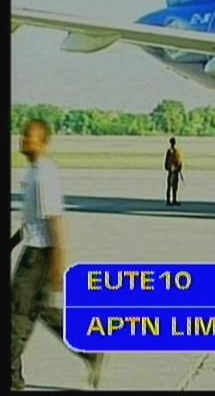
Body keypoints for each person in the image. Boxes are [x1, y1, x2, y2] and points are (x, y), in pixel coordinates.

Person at [11, 119, 104, 391]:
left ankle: (11, 378)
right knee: (45, 312)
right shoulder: (33, 173)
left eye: (29, 136)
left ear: (42, 142)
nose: (22, 140)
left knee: (16, 315)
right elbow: (32, 221)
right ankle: (90, 351)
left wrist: (59, 267)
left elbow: (55, 223)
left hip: (39, 256)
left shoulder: (44, 176)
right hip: (35, 250)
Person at [164, 137, 183, 206]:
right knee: (170, 186)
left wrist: (179, 168)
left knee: (175, 187)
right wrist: (168, 168)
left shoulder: (176, 151)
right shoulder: (170, 151)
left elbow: (179, 161)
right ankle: (168, 201)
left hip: (175, 171)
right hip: (171, 171)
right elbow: (167, 161)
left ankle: (174, 200)